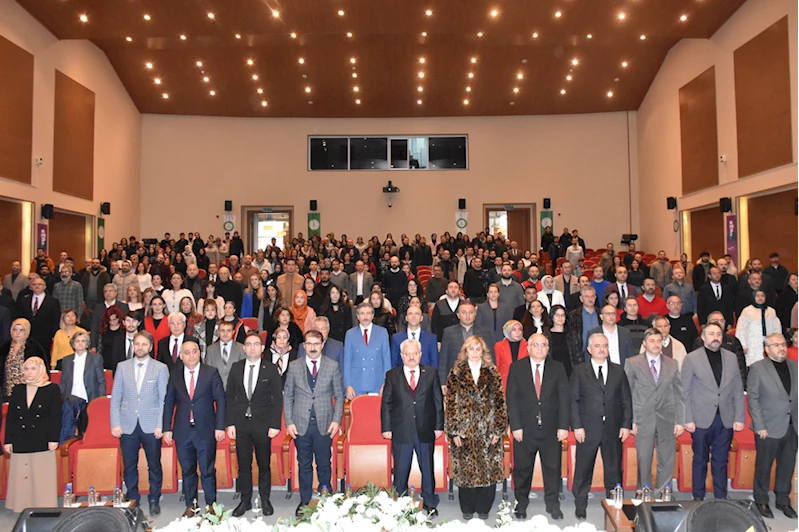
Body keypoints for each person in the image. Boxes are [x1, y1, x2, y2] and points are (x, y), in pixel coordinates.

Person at [507, 333, 570, 520]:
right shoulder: (517, 368)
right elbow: (511, 398)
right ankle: (521, 504)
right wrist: (515, 426)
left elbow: (564, 398)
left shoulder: (558, 367)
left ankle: (553, 505)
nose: (540, 348)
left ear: (548, 348)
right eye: (536, 344)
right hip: (524, 429)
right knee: (522, 469)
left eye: (544, 345)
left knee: (552, 468)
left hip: (551, 429)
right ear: (528, 348)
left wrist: (563, 426)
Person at [570, 332, 632, 520]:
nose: (602, 349)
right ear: (589, 349)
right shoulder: (579, 371)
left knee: (614, 469)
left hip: (613, 428)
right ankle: (580, 504)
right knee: (583, 469)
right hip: (587, 429)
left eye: (605, 345)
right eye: (597, 346)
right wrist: (577, 426)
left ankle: (614, 504)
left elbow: (626, 400)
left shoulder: (618, 370)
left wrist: (626, 424)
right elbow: (573, 400)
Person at [445, 336, 507, 520]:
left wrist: (498, 430)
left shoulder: (492, 372)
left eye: (478, 349)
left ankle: (484, 508)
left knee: (488, 470)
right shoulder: (456, 373)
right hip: (465, 431)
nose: (474, 352)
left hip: (488, 430)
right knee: (466, 471)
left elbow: (500, 402)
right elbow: (450, 403)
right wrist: (454, 431)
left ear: (483, 351)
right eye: (471, 349)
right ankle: (467, 507)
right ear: (465, 351)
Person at [682, 322, 745, 501]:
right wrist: (688, 418)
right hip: (700, 419)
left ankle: (721, 498)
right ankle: (698, 498)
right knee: (700, 460)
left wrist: (739, 417)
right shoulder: (691, 358)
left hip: (725, 418)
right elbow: (684, 391)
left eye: (718, 334)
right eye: (711, 334)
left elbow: (737, 389)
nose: (715, 337)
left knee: (721, 461)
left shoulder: (731, 357)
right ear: (703, 337)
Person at [163, 340, 226, 517]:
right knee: (187, 470)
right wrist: (167, 428)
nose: (191, 355)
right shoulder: (175, 375)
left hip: (205, 430)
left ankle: (211, 505)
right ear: (181, 356)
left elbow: (221, 400)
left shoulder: (211, 372)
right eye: (187, 352)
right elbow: (169, 402)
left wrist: (220, 426)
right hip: (182, 430)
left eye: (194, 351)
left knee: (207, 470)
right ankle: (191, 505)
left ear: (200, 353)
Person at [381, 338, 444, 516]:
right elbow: (386, 404)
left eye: (414, 353)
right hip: (401, 429)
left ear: (420, 354)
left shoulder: (431, 373)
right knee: (401, 470)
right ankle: (399, 502)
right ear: (401, 355)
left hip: (426, 429)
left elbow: (438, 401)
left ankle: (430, 502)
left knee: (427, 468)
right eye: (407, 354)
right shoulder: (392, 375)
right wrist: (386, 428)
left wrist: (439, 426)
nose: (411, 357)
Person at [285, 329, 345, 516]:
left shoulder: (332, 366)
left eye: (316, 344)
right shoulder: (294, 366)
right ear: (304, 346)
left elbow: (339, 396)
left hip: (324, 423)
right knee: (304, 464)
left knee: (324, 463)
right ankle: (305, 502)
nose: (312, 347)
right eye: (309, 344)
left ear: (322, 345)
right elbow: (288, 396)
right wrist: (289, 422)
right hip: (300, 424)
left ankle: (326, 499)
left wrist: (336, 420)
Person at [110, 330, 169, 515]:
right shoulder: (122, 367)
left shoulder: (160, 368)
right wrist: (115, 423)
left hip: (151, 425)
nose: (140, 347)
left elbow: (164, 400)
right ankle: (133, 499)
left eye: (144, 344)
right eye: (137, 344)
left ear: (150, 347)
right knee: (129, 465)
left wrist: (161, 425)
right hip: (127, 424)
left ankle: (154, 498)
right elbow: (115, 397)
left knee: (154, 465)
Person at [226, 332, 282, 517]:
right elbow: (229, 397)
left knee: (264, 463)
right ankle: (245, 500)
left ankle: (265, 499)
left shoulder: (271, 369)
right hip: (241, 424)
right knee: (244, 465)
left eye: (256, 344)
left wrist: (275, 424)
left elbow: (277, 399)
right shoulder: (236, 368)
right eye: (248, 344)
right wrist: (230, 423)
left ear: (262, 348)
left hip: (263, 424)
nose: (252, 347)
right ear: (244, 348)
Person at [625, 328, 684, 492]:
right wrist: (630, 420)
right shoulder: (632, 363)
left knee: (667, 458)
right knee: (643, 458)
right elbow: (627, 393)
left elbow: (679, 393)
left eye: (659, 341)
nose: (656, 344)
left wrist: (680, 421)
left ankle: (663, 493)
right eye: (652, 341)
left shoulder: (672, 363)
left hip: (667, 418)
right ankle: (643, 491)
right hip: (642, 418)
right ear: (644, 343)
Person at [747, 333, 797, 519]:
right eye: (776, 345)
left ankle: (783, 500)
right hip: (767, 427)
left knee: (787, 465)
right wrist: (759, 425)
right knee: (764, 467)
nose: (781, 348)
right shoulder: (757, 368)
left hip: (793, 426)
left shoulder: (795, 366)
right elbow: (753, 398)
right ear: (767, 349)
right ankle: (761, 500)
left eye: (783, 344)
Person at [2, 356, 61, 512]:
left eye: (33, 369)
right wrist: (8, 440)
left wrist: (54, 438)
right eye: (26, 369)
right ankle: (21, 506)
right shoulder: (18, 389)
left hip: (42, 437)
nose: (29, 372)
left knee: (41, 474)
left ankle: (44, 506)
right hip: (20, 438)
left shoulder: (52, 389)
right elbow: (12, 416)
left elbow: (55, 416)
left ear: (41, 369)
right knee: (21, 475)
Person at [438, 301, 493, 391]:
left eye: (471, 312)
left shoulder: (485, 332)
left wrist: (491, 378)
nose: (468, 315)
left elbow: (490, 356)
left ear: (475, 314)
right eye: (464, 312)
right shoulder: (449, 332)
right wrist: (442, 382)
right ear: (458, 315)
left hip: (479, 378)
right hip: (455, 378)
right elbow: (443, 359)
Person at [343, 302, 391, 399]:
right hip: (357, 384)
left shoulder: (382, 332)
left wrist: (386, 383)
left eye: (368, 313)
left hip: (377, 383)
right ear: (357, 316)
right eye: (362, 313)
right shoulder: (350, 334)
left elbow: (386, 359)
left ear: (373, 315)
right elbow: (347, 361)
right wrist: (348, 385)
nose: (365, 316)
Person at [692, 311, 747, 391]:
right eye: (715, 320)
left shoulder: (733, 341)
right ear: (708, 323)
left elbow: (741, 367)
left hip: (730, 385)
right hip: (706, 387)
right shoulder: (700, 341)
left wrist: (742, 388)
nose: (719, 323)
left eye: (722, 321)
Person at [15, 277, 60, 357]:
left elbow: (56, 319)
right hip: (28, 336)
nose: (37, 286)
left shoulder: (53, 301)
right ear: (31, 287)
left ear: (44, 287)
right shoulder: (24, 300)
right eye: (34, 284)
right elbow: (19, 317)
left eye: (40, 284)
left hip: (45, 336)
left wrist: (53, 334)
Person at [735, 290, 781, 367]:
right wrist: (743, 345)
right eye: (757, 296)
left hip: (768, 342)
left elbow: (777, 328)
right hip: (752, 343)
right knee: (753, 364)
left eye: (762, 296)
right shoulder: (747, 311)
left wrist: (778, 342)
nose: (760, 298)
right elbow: (741, 329)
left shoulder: (771, 311)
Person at [204, 320, 246, 389]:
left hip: (236, 388)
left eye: (228, 331)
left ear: (233, 332)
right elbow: (208, 371)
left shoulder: (241, 348)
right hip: (216, 388)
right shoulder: (210, 349)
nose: (225, 333)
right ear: (218, 332)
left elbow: (244, 370)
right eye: (222, 331)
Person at [90, 284, 129, 350]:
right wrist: (93, 346)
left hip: (120, 341)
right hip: (103, 342)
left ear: (116, 293)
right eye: (105, 291)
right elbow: (94, 327)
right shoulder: (98, 307)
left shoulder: (123, 307)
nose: (108, 293)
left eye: (110, 291)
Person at [566, 286, 599, 359]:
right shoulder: (573, 315)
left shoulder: (601, 314)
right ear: (581, 299)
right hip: (582, 355)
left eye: (592, 296)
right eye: (587, 297)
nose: (590, 299)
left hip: (600, 353)